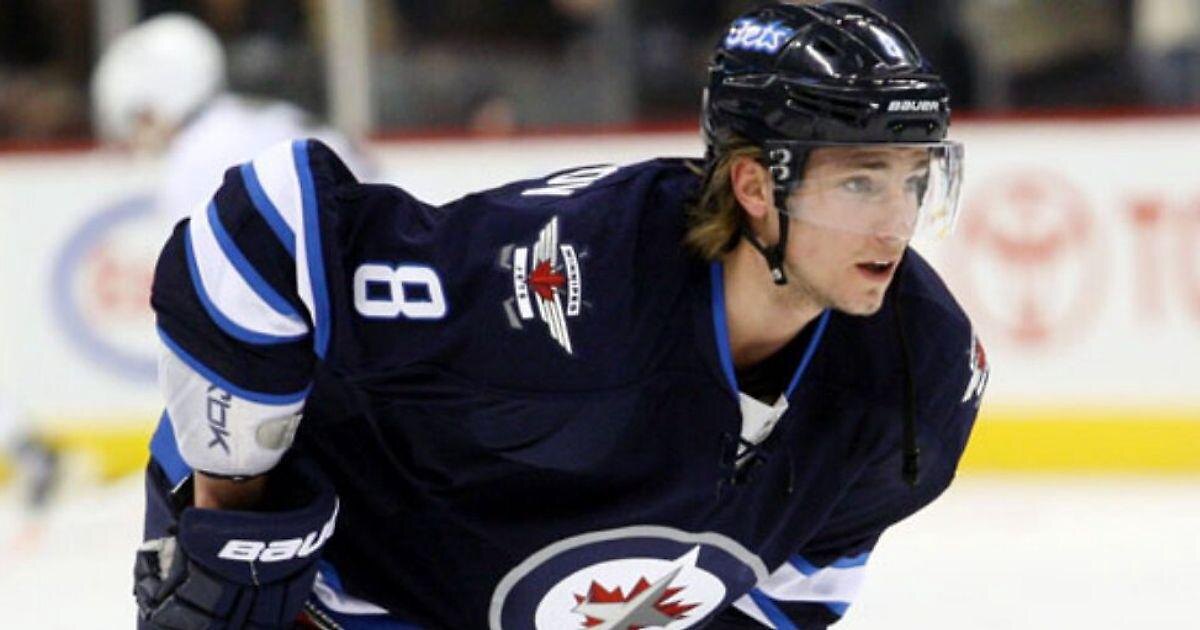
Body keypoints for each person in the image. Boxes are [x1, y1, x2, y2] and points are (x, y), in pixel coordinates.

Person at [132, 3, 986, 628]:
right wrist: (235, 522)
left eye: (914, 180)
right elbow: (262, 233)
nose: (896, 224)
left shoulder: (920, 372)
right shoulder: (567, 289)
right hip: (339, 595)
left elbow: (788, 594)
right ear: (755, 187)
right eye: (861, 181)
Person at [91, 12, 370, 223]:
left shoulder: (194, 160)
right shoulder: (250, 121)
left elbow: (209, 275)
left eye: (140, 119)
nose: (135, 139)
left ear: (160, 106)